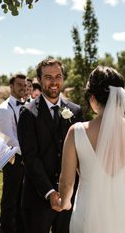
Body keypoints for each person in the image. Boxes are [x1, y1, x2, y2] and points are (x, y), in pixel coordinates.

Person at [55, 66, 125, 233]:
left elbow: (66, 182)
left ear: (92, 97)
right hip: (123, 216)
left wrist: (64, 203)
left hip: (88, 215)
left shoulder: (77, 132)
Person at [17, 58, 84, 232]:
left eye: (58, 76)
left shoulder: (75, 111)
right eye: (48, 77)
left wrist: (69, 191)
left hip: (70, 197)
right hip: (39, 196)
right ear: (39, 79)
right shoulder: (28, 113)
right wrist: (50, 192)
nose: (54, 82)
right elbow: (30, 158)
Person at [0, 73, 29, 232]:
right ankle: (6, 228)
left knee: (24, 198)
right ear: (11, 87)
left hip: (28, 159)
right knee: (11, 197)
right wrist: (30, 154)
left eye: (25, 84)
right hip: (14, 160)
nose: (23, 87)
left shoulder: (29, 104)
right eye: (19, 84)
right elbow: (10, 139)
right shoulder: (4, 109)